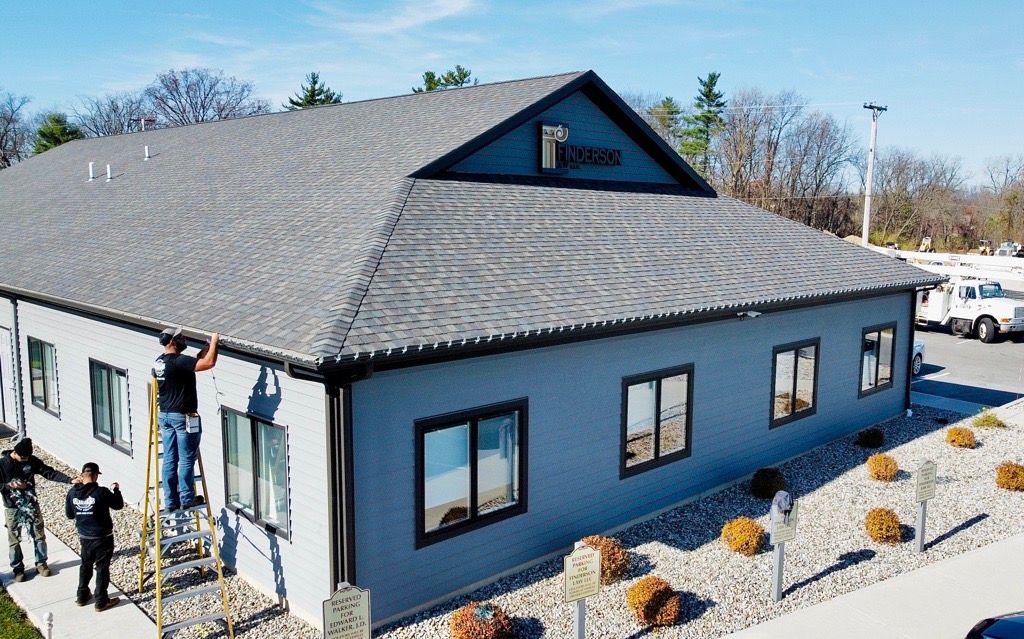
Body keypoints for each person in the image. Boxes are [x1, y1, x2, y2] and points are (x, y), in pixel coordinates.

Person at [153, 328, 219, 512]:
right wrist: (214, 342)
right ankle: (187, 498)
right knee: (187, 459)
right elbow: (208, 363)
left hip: (165, 416)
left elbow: (193, 362)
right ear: (173, 342)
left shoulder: (160, 362)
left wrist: (205, 348)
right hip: (182, 417)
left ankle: (171, 502)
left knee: (169, 459)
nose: (184, 339)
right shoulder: (179, 362)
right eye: (181, 337)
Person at [0, 437, 73, 581]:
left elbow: (48, 472)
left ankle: (41, 564)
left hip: (31, 504)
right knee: (14, 539)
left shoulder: (31, 461)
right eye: (22, 457)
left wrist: (69, 480)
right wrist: (9, 486)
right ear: (14, 452)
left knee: (39, 535)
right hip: (12, 507)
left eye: (27, 457)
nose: (25, 460)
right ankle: (18, 569)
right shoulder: (2, 464)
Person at [65, 462, 122, 611]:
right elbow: (118, 505)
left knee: (86, 564)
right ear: (96, 475)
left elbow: (69, 515)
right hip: (103, 537)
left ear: (82, 475)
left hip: (84, 537)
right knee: (102, 568)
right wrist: (116, 490)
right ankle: (101, 601)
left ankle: (82, 595)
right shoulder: (101, 492)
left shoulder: (72, 493)